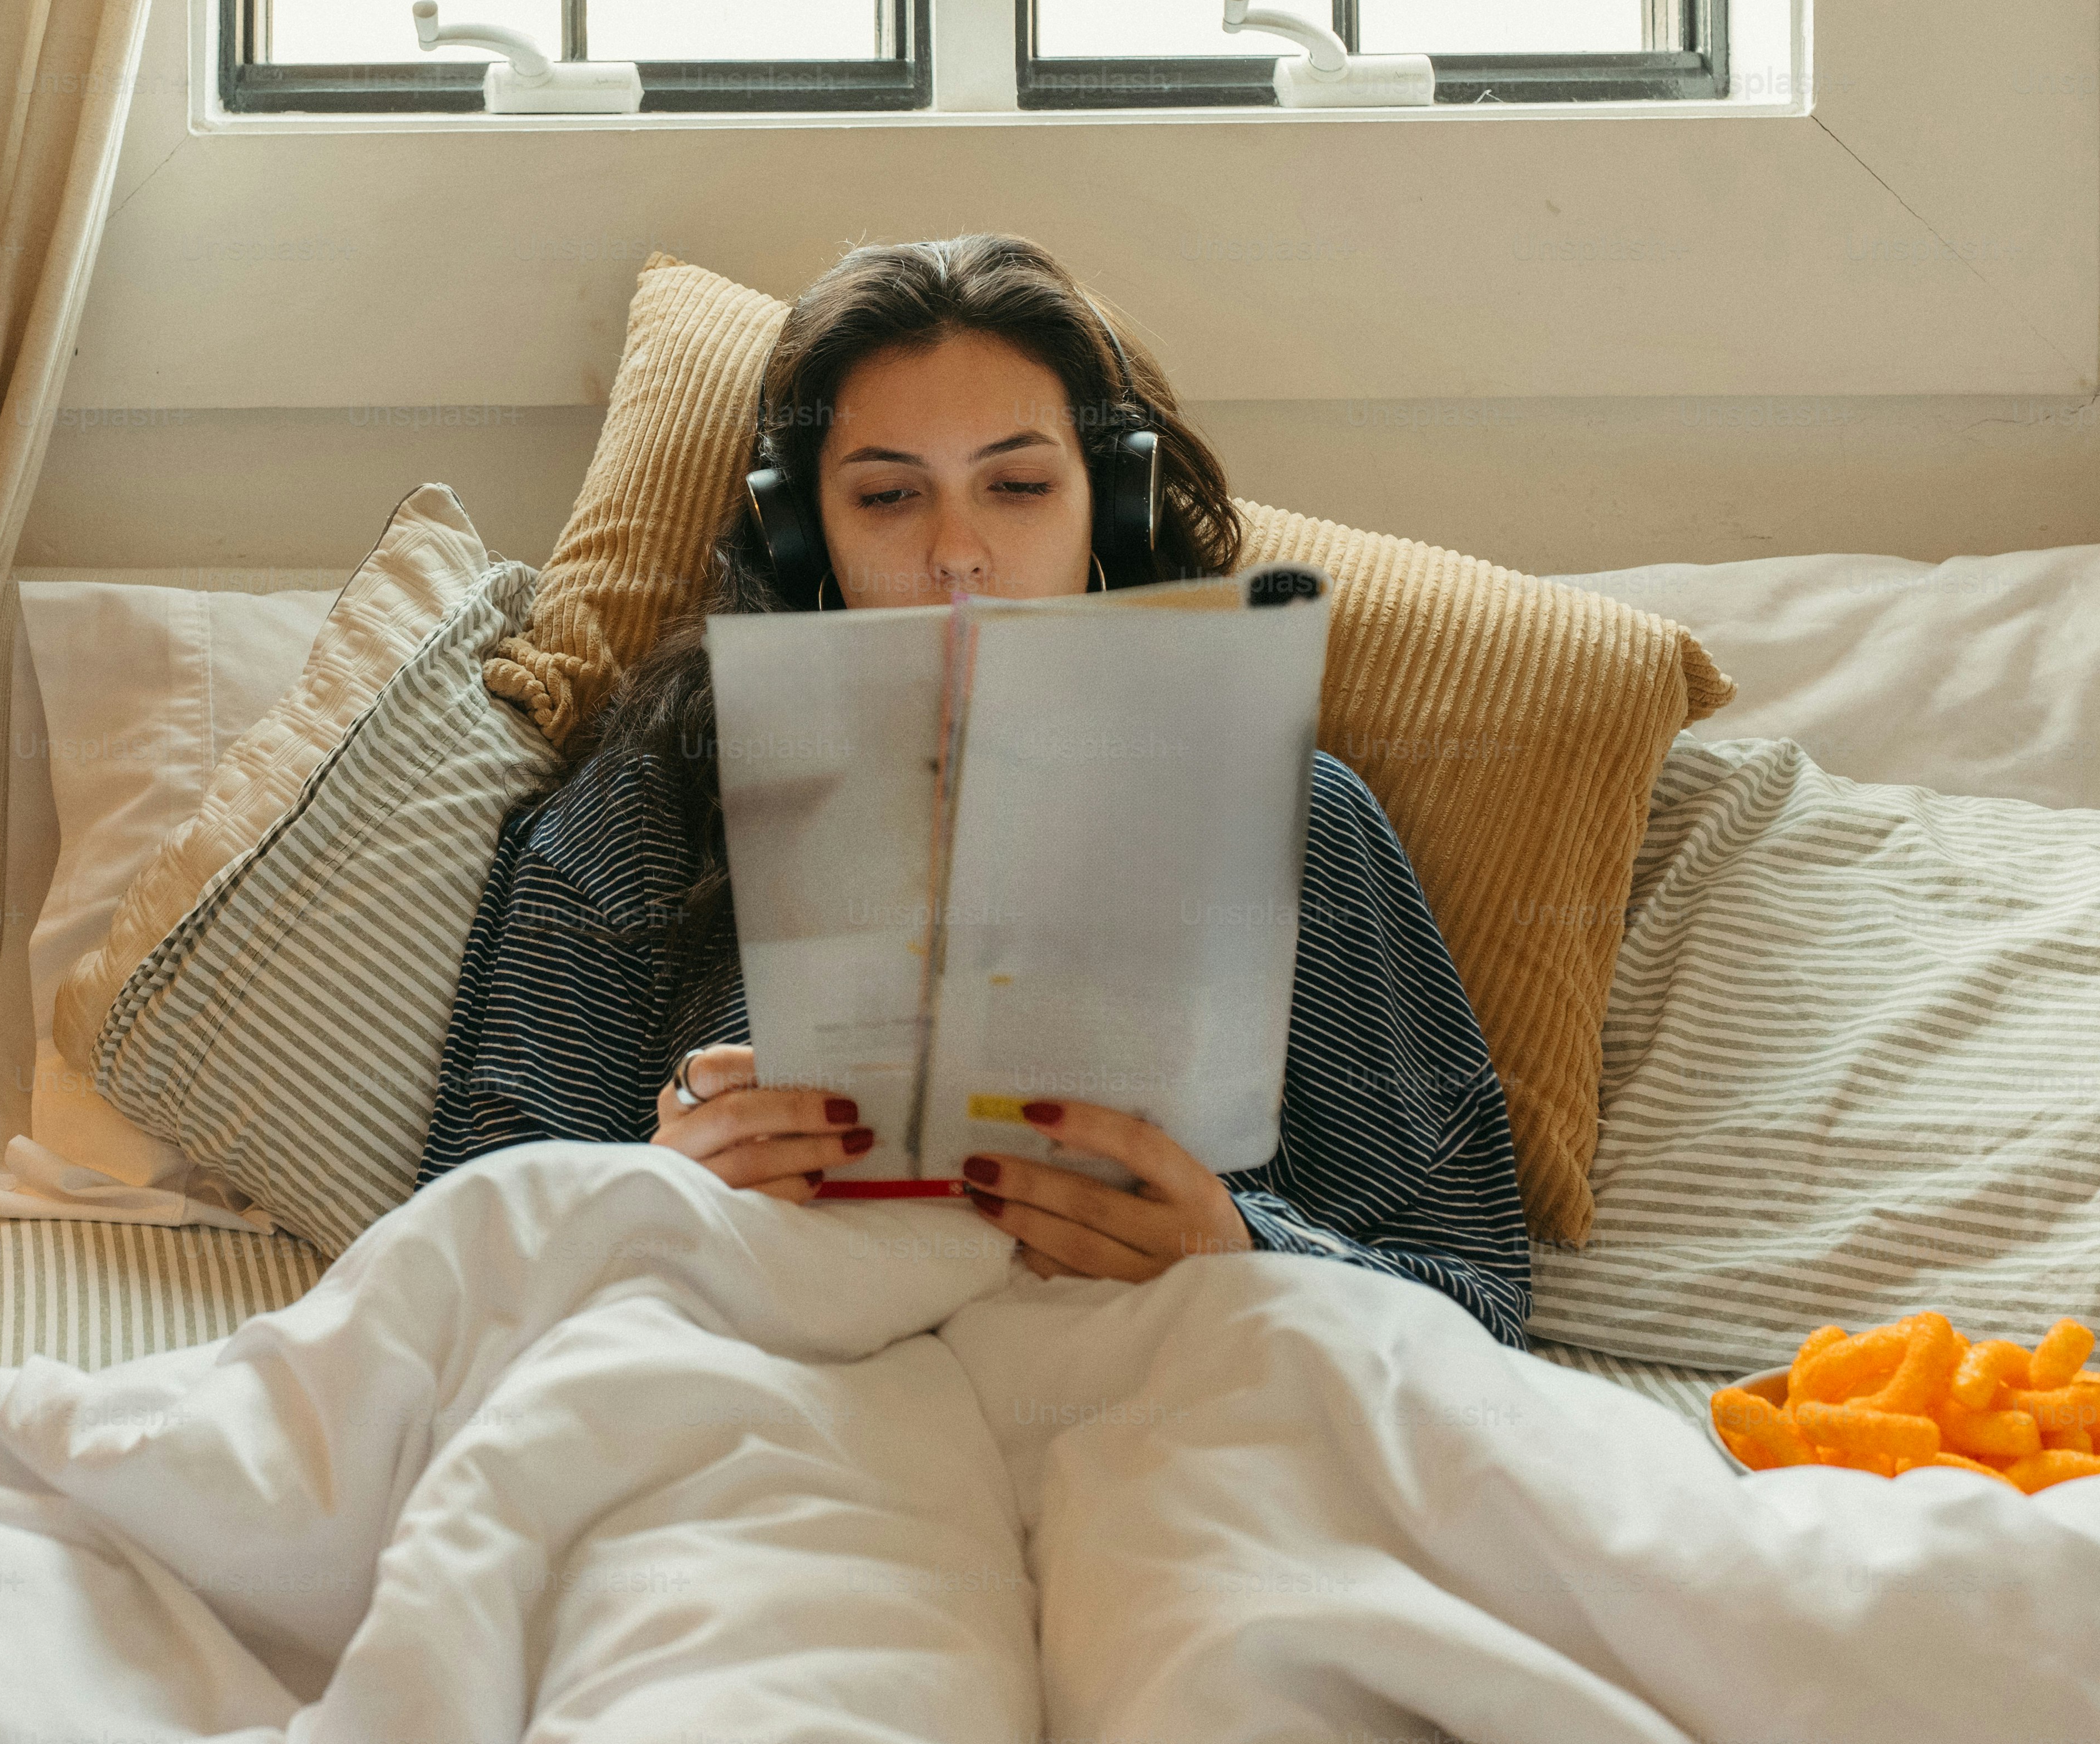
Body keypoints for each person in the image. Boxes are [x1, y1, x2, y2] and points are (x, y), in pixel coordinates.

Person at [416, 234, 1531, 1344]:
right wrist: (659, 1195)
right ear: (807, 536)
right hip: (779, 1413)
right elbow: (463, 1285)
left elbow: (1475, 1296)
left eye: (1018, 484)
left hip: (1167, 1408)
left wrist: (1238, 1249)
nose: (958, 551)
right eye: (890, 495)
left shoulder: (1291, 818)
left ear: (1115, 508)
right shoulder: (648, 811)